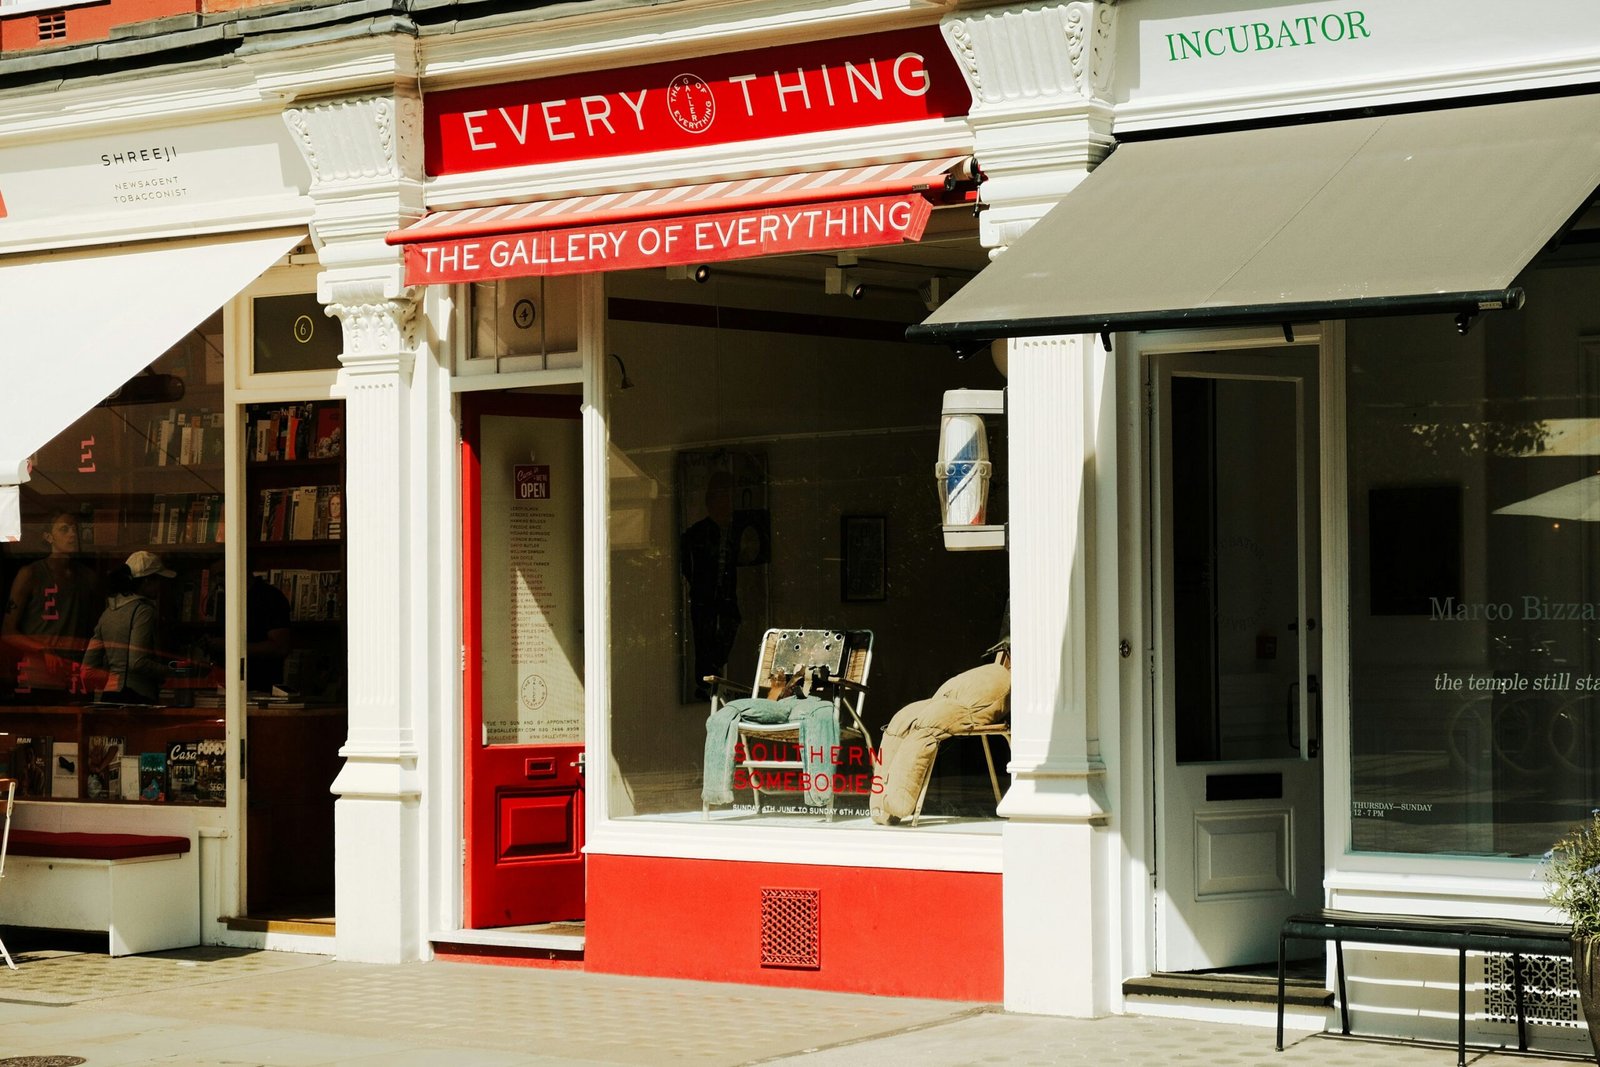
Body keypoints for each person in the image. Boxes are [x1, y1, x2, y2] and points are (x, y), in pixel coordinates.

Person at [2, 509, 100, 697]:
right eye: (64, 529)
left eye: (75, 529)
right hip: (38, 675)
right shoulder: (31, 574)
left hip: (75, 675)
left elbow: (93, 628)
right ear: (49, 537)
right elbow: (8, 629)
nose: (72, 534)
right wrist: (43, 650)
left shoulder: (88, 578)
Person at [80, 550, 175, 704]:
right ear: (146, 582)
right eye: (157, 580)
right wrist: (173, 672)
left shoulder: (107, 614)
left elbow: (86, 670)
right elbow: (137, 662)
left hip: (109, 697)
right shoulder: (143, 611)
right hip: (136, 697)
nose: (160, 586)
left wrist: (112, 678)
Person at [681, 471, 740, 701]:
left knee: (727, 631)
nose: (726, 504)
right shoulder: (696, 533)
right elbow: (686, 563)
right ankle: (706, 684)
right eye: (721, 498)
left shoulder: (734, 531)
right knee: (704, 639)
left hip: (726, 598)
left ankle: (715, 678)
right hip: (704, 598)